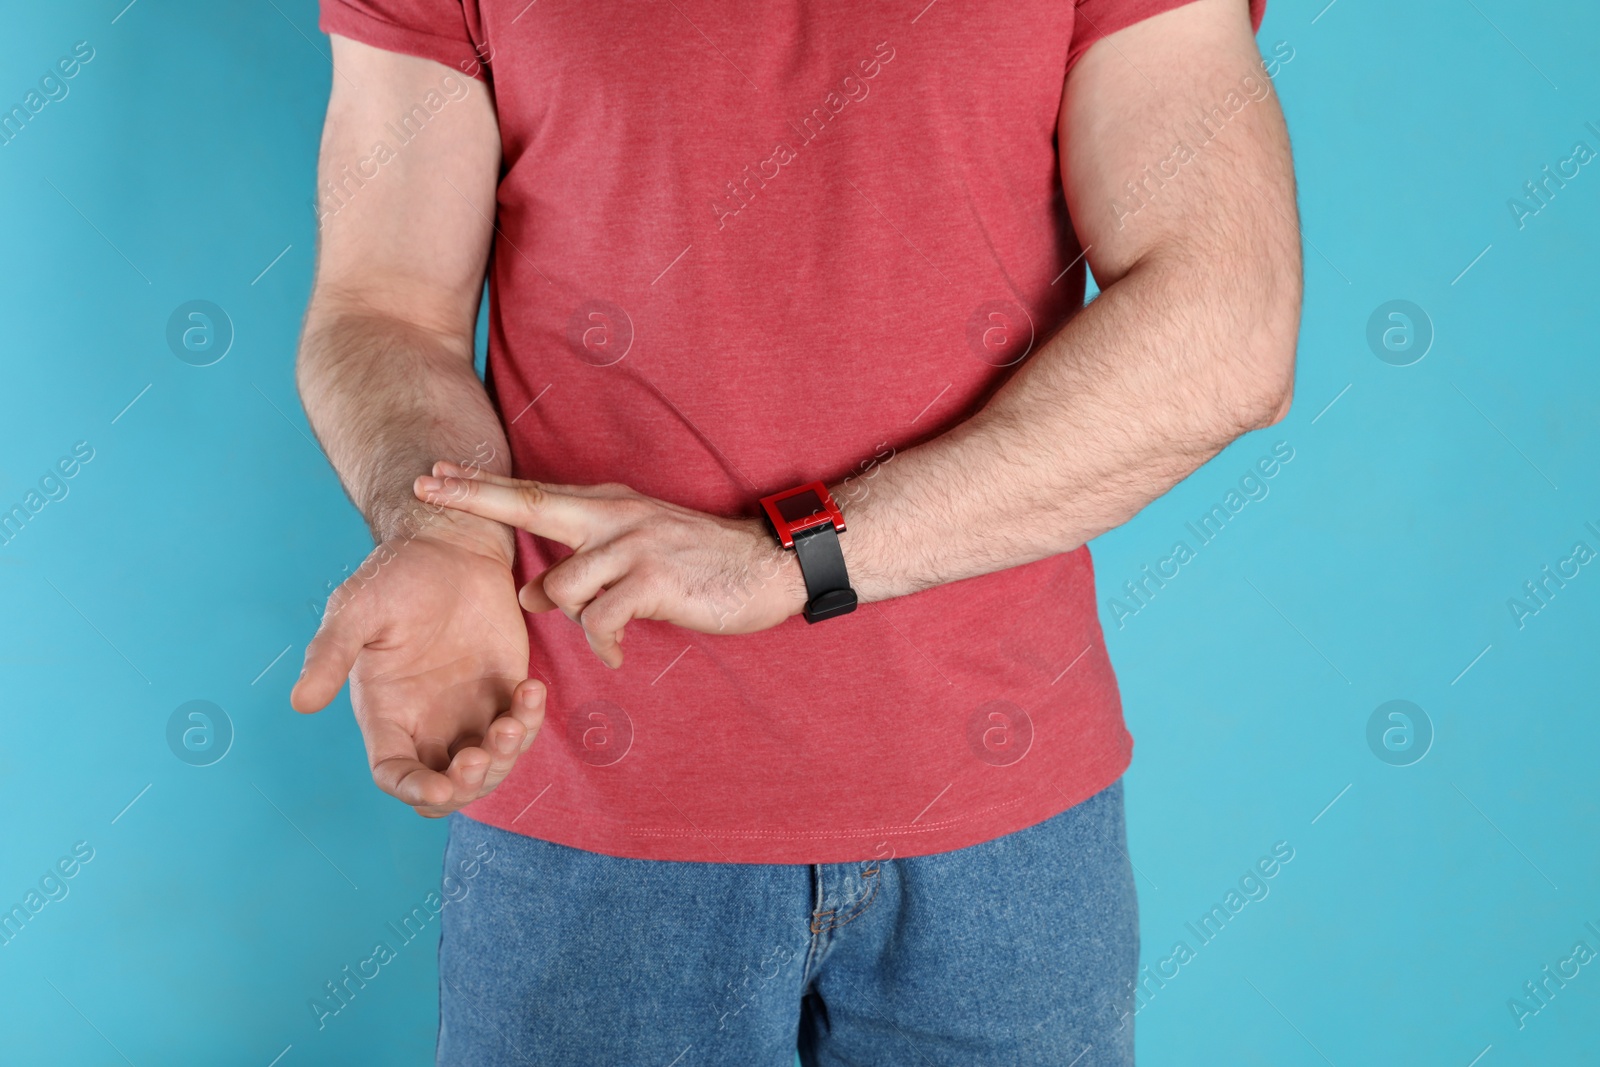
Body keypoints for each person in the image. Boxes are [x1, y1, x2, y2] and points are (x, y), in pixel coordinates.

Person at [289, 0, 1297, 1061]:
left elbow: (1225, 318)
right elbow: (385, 306)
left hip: (1001, 822)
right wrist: (438, 526)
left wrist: (790, 555)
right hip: (585, 804)